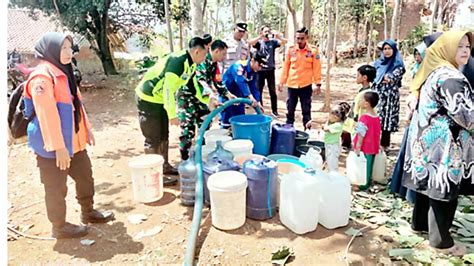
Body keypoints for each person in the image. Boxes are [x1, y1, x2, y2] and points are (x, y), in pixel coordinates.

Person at [23, 32, 114, 239]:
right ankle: (59, 226)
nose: (68, 52)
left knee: (85, 177)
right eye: (62, 48)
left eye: (69, 47)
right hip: (52, 147)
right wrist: (58, 147)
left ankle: (88, 212)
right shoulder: (42, 77)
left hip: (74, 141)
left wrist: (87, 129)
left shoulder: (64, 70)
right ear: (51, 50)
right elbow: (47, 114)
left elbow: (76, 103)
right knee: (55, 187)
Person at [402, 30, 473, 255]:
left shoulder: (436, 71)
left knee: (428, 185)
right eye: (459, 46)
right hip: (446, 146)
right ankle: (441, 242)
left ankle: (419, 225)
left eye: (467, 47)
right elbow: (467, 117)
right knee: (444, 189)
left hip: (428, 142)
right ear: (447, 47)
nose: (465, 50)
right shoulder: (451, 78)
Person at [135, 37, 208, 185]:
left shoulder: (191, 64)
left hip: (160, 99)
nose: (206, 57)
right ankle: (154, 175)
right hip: (148, 98)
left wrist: (207, 100)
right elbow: (168, 89)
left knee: (163, 134)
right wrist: (172, 114)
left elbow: (193, 86)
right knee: (153, 138)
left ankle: (164, 166)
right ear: (197, 51)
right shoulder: (178, 62)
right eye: (205, 53)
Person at [177, 40, 234, 160]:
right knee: (188, 129)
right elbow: (200, 80)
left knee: (205, 125)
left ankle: (201, 154)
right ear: (216, 51)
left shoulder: (214, 65)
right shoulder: (202, 60)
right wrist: (211, 95)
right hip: (188, 97)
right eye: (223, 54)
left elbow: (218, 82)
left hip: (203, 99)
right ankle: (185, 159)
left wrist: (228, 94)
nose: (224, 57)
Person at [278, 27, 322, 129]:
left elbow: (317, 68)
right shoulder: (291, 50)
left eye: (302, 38)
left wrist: (318, 83)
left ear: (307, 37)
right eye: (298, 38)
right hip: (292, 85)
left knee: (306, 110)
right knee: (290, 109)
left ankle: (307, 130)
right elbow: (286, 67)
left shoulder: (313, 51)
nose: (299, 41)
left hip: (306, 85)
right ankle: (288, 130)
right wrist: (281, 82)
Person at [247, 25, 287, 117]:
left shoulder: (273, 42)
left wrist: (278, 36)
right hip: (260, 70)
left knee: (272, 91)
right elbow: (250, 42)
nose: (267, 33)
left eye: (268, 31)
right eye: (265, 31)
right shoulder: (259, 43)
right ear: (261, 32)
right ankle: (260, 110)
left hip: (270, 70)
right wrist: (260, 37)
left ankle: (274, 111)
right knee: (258, 91)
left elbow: (284, 42)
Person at [373, 39, 405, 151]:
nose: (386, 51)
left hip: (390, 96)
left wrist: (383, 78)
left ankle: (384, 145)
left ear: (394, 50)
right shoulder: (378, 63)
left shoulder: (398, 64)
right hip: (377, 95)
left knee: (387, 119)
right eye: (385, 49)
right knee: (376, 117)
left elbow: (392, 78)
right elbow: (374, 75)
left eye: (389, 49)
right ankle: (373, 143)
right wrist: (383, 78)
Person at [220, 51, 267, 128]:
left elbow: (253, 87)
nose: (260, 68)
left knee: (239, 119)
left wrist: (258, 101)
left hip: (239, 95)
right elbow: (240, 81)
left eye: (261, 67)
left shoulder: (254, 71)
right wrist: (250, 96)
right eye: (259, 65)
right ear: (252, 60)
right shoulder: (239, 66)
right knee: (226, 121)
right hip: (227, 94)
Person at [342, 65, 377, 149]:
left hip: (360, 126)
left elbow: (358, 112)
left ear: (364, 77)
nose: (356, 77)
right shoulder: (367, 92)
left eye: (358, 75)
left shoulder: (365, 95)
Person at [353, 91, 382, 191]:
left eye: (361, 99)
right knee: (370, 164)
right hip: (374, 145)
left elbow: (361, 134)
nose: (359, 101)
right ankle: (368, 181)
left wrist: (358, 146)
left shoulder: (364, 118)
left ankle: (363, 184)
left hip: (365, 147)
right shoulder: (377, 117)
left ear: (366, 104)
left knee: (364, 165)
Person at [320, 103, 350, 172]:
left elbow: (326, 129)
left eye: (330, 115)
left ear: (336, 117)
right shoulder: (334, 123)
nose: (328, 117)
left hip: (333, 147)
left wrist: (324, 125)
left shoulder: (338, 125)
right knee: (329, 160)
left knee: (332, 163)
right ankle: (331, 174)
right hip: (329, 145)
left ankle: (334, 176)